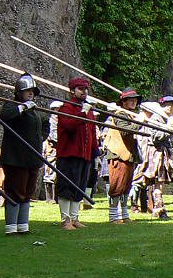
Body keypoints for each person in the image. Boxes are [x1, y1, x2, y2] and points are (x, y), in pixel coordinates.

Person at [0, 74, 49, 235]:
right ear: (19, 92)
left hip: (32, 157)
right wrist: (23, 108)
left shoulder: (36, 111)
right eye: (27, 91)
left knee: (27, 192)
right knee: (14, 192)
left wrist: (39, 138)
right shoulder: (11, 106)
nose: (30, 93)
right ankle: (11, 227)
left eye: (32, 91)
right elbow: (5, 117)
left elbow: (45, 124)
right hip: (15, 158)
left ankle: (23, 226)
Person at [56, 77, 99, 229]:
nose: (84, 92)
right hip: (69, 154)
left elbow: (92, 131)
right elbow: (69, 125)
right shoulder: (66, 108)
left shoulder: (88, 110)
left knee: (79, 187)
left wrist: (95, 150)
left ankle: (75, 218)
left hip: (84, 154)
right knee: (67, 186)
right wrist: (82, 114)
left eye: (86, 89)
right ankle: (65, 219)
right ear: (72, 90)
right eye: (80, 89)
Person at [104, 87, 144, 223]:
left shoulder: (131, 115)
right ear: (124, 102)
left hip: (129, 155)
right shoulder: (119, 114)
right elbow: (125, 131)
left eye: (135, 101)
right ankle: (113, 215)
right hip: (118, 155)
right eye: (130, 100)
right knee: (117, 185)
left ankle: (124, 214)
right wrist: (141, 122)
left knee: (126, 186)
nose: (134, 103)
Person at [42, 100, 62, 204]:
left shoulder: (60, 121)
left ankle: (56, 197)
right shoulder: (52, 121)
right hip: (52, 149)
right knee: (50, 173)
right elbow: (53, 136)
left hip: (60, 149)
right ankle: (50, 198)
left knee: (58, 174)